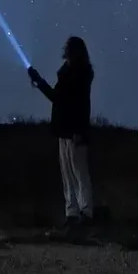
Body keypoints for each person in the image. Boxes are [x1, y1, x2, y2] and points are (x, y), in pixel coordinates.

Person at [28, 36, 94, 229]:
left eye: (67, 46)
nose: (63, 48)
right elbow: (57, 98)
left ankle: (86, 213)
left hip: (74, 130)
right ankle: (72, 213)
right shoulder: (68, 74)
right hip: (64, 129)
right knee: (68, 174)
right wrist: (39, 81)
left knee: (79, 172)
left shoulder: (80, 74)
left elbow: (81, 105)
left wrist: (80, 130)